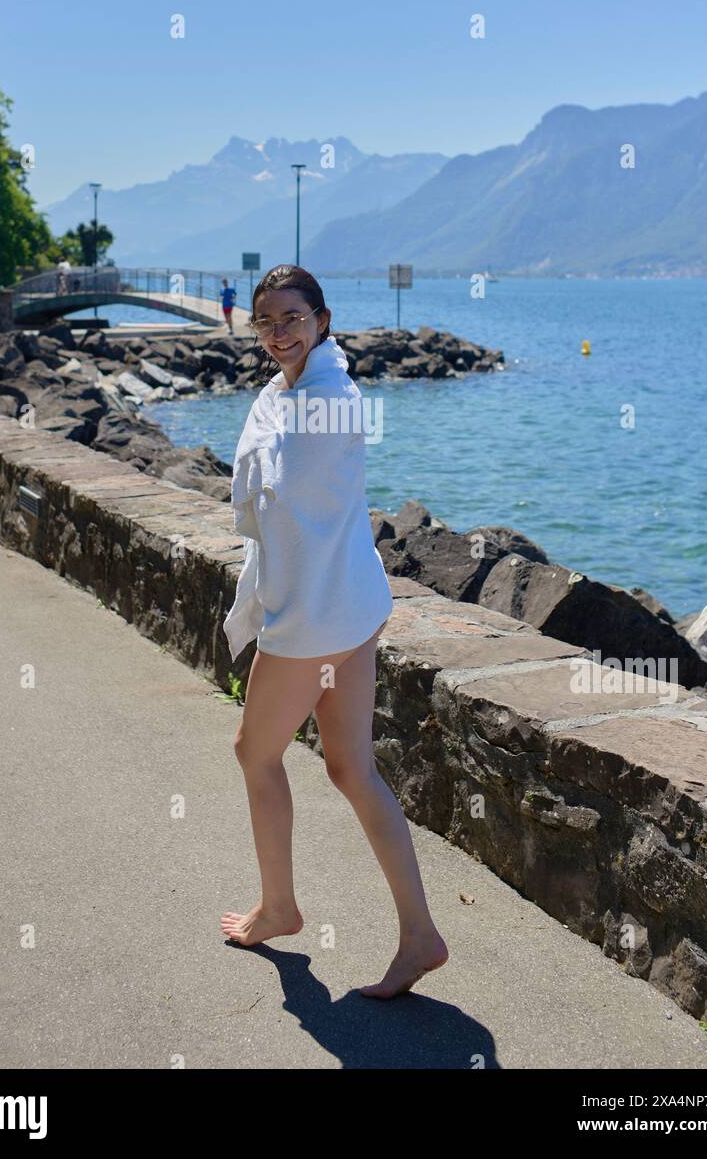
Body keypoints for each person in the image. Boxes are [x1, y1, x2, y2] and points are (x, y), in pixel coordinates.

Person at [221, 264, 448, 998]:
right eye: (266, 321)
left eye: (292, 317)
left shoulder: (326, 401)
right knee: (352, 768)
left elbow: (285, 498)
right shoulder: (294, 392)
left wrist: (278, 618)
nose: (278, 332)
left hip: (316, 617)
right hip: (349, 605)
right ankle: (420, 935)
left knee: (255, 753)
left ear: (323, 320)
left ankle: (281, 907)